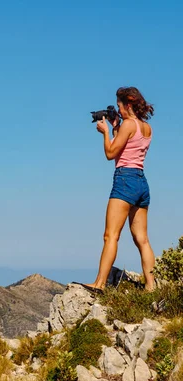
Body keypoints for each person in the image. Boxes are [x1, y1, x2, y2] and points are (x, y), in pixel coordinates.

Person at [76, 87, 156, 294]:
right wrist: (114, 129)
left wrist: (104, 134)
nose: (118, 110)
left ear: (127, 105)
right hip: (141, 182)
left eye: (120, 106)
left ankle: (100, 284)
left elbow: (111, 153)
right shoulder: (146, 127)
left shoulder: (128, 124)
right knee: (142, 239)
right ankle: (151, 286)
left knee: (110, 235)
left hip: (124, 180)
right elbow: (127, 148)